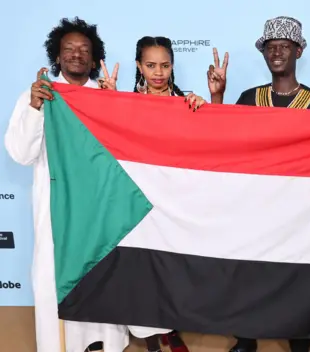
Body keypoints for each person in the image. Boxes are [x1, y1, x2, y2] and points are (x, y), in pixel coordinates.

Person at [207, 16, 310, 352]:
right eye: (271, 48)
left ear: (298, 51)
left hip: (298, 210)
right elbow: (222, 141)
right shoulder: (249, 97)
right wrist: (217, 98)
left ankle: (299, 339)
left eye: (284, 47)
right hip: (255, 206)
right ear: (264, 54)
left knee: (298, 276)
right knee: (247, 272)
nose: (277, 53)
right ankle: (245, 337)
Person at [4, 17, 132, 352]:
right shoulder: (38, 96)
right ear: (57, 57)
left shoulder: (106, 97)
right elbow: (20, 153)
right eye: (68, 49)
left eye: (84, 49)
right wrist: (35, 108)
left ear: (93, 59)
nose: (76, 54)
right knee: (54, 288)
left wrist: (115, 108)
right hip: (56, 217)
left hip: (102, 216)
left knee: (103, 287)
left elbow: (127, 159)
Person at [99, 35, 205, 352]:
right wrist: (108, 103)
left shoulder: (188, 102)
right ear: (138, 66)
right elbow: (108, 144)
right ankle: (149, 336)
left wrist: (209, 104)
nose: (158, 72)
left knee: (171, 266)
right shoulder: (125, 103)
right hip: (137, 198)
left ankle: (170, 328)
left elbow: (206, 144)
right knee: (141, 268)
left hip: (174, 198)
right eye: (150, 65)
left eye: (165, 65)